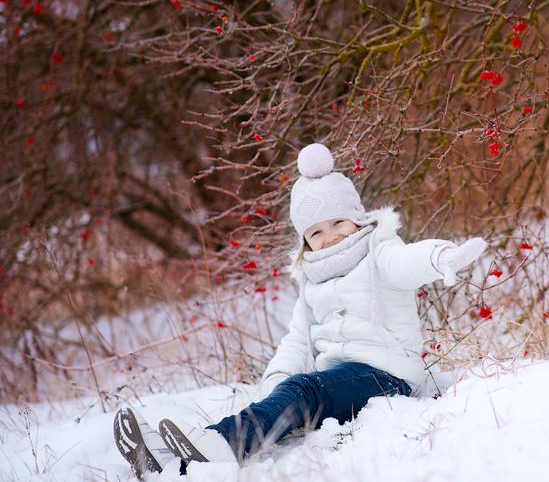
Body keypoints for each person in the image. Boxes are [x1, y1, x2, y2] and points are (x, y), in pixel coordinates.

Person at [113, 143, 488, 478]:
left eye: (338, 222)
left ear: (356, 217)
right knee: (294, 393)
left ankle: (218, 446)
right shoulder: (311, 277)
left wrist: (443, 258)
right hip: (337, 382)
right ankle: (170, 464)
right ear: (305, 240)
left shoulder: (380, 251)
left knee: (305, 390)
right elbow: (297, 340)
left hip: (388, 377)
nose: (331, 236)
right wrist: (274, 387)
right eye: (316, 233)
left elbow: (409, 261)